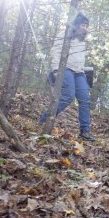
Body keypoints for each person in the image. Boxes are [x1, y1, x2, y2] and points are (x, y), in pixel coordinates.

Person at [39, 12, 94, 141]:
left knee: (85, 99)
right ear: (76, 25)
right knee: (68, 96)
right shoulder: (64, 34)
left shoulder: (82, 41)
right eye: (83, 25)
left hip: (79, 72)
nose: (85, 28)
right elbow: (56, 51)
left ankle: (85, 132)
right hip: (65, 69)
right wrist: (56, 69)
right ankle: (44, 120)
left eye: (87, 25)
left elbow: (79, 60)